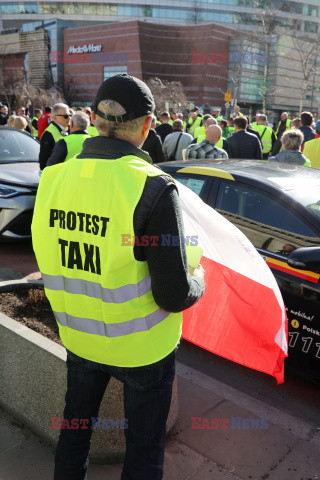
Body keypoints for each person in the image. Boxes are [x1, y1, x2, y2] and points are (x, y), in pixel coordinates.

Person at [31, 73, 205, 480]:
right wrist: (200, 276)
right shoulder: (154, 188)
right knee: (144, 447)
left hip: (80, 339)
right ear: (147, 128)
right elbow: (174, 294)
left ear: (94, 118)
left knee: (74, 433)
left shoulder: (53, 179)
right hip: (143, 351)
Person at [39, 103, 71, 171]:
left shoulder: (66, 130)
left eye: (69, 115)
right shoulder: (49, 134)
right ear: (55, 117)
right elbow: (43, 162)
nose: (69, 118)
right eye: (65, 116)